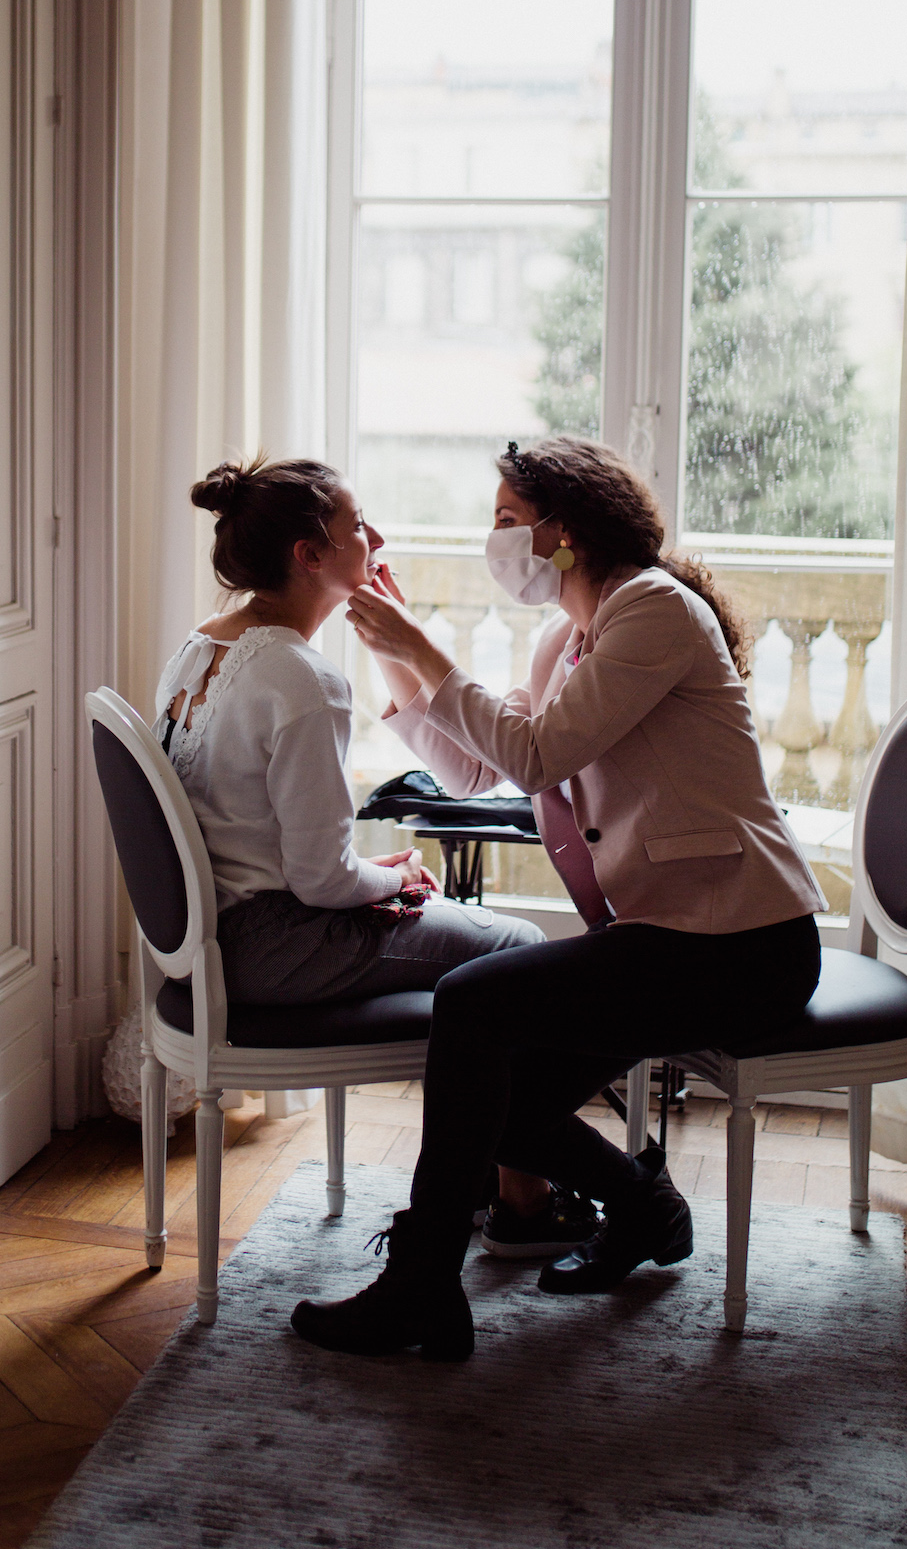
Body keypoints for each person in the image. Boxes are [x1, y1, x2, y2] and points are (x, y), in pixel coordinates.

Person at [290, 436, 825, 1362]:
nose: (494, 539)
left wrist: (425, 650)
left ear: (563, 532)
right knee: (501, 1101)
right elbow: (472, 763)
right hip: (663, 939)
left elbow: (538, 755)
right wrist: (398, 656)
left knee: (469, 1004)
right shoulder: (564, 638)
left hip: (743, 944)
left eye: (507, 520)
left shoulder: (654, 610)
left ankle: (422, 1282)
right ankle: (645, 1204)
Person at [160, 458, 590, 1256]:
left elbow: (276, 842)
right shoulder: (302, 678)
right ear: (309, 556)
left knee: (482, 960)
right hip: (280, 943)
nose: (379, 538)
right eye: (359, 526)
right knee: (520, 952)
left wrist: (375, 877)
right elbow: (322, 880)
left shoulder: (201, 649)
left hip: (215, 937)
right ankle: (522, 1206)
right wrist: (389, 876)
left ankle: (487, 1192)